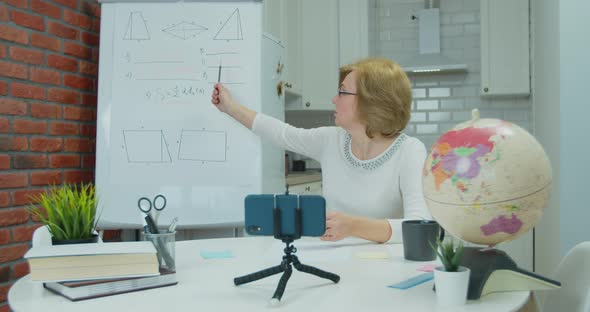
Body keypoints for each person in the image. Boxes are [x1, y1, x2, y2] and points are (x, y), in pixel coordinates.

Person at [211, 57, 430, 243]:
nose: (334, 99)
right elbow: (281, 133)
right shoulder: (330, 140)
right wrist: (229, 107)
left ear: (371, 101)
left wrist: (353, 226)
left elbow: (420, 228)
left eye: (342, 92)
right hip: (332, 260)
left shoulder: (409, 151)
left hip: (383, 269)